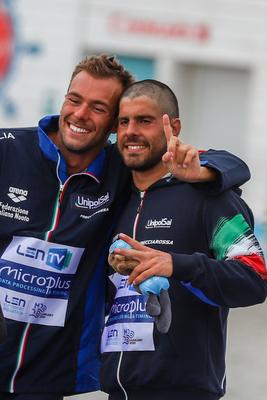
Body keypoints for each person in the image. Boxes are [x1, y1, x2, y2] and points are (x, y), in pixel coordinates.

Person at [0, 55, 251, 400]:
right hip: (114, 383)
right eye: (74, 99)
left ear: (112, 127)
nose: (80, 114)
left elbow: (227, 164)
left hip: (45, 379)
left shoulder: (122, 174)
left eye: (99, 108)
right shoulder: (9, 150)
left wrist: (206, 173)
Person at [100, 79, 267, 400]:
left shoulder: (212, 198)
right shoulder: (116, 199)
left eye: (145, 121)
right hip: (118, 389)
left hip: (183, 391)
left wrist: (176, 265)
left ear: (172, 127)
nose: (131, 131)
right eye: (123, 122)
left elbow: (255, 278)